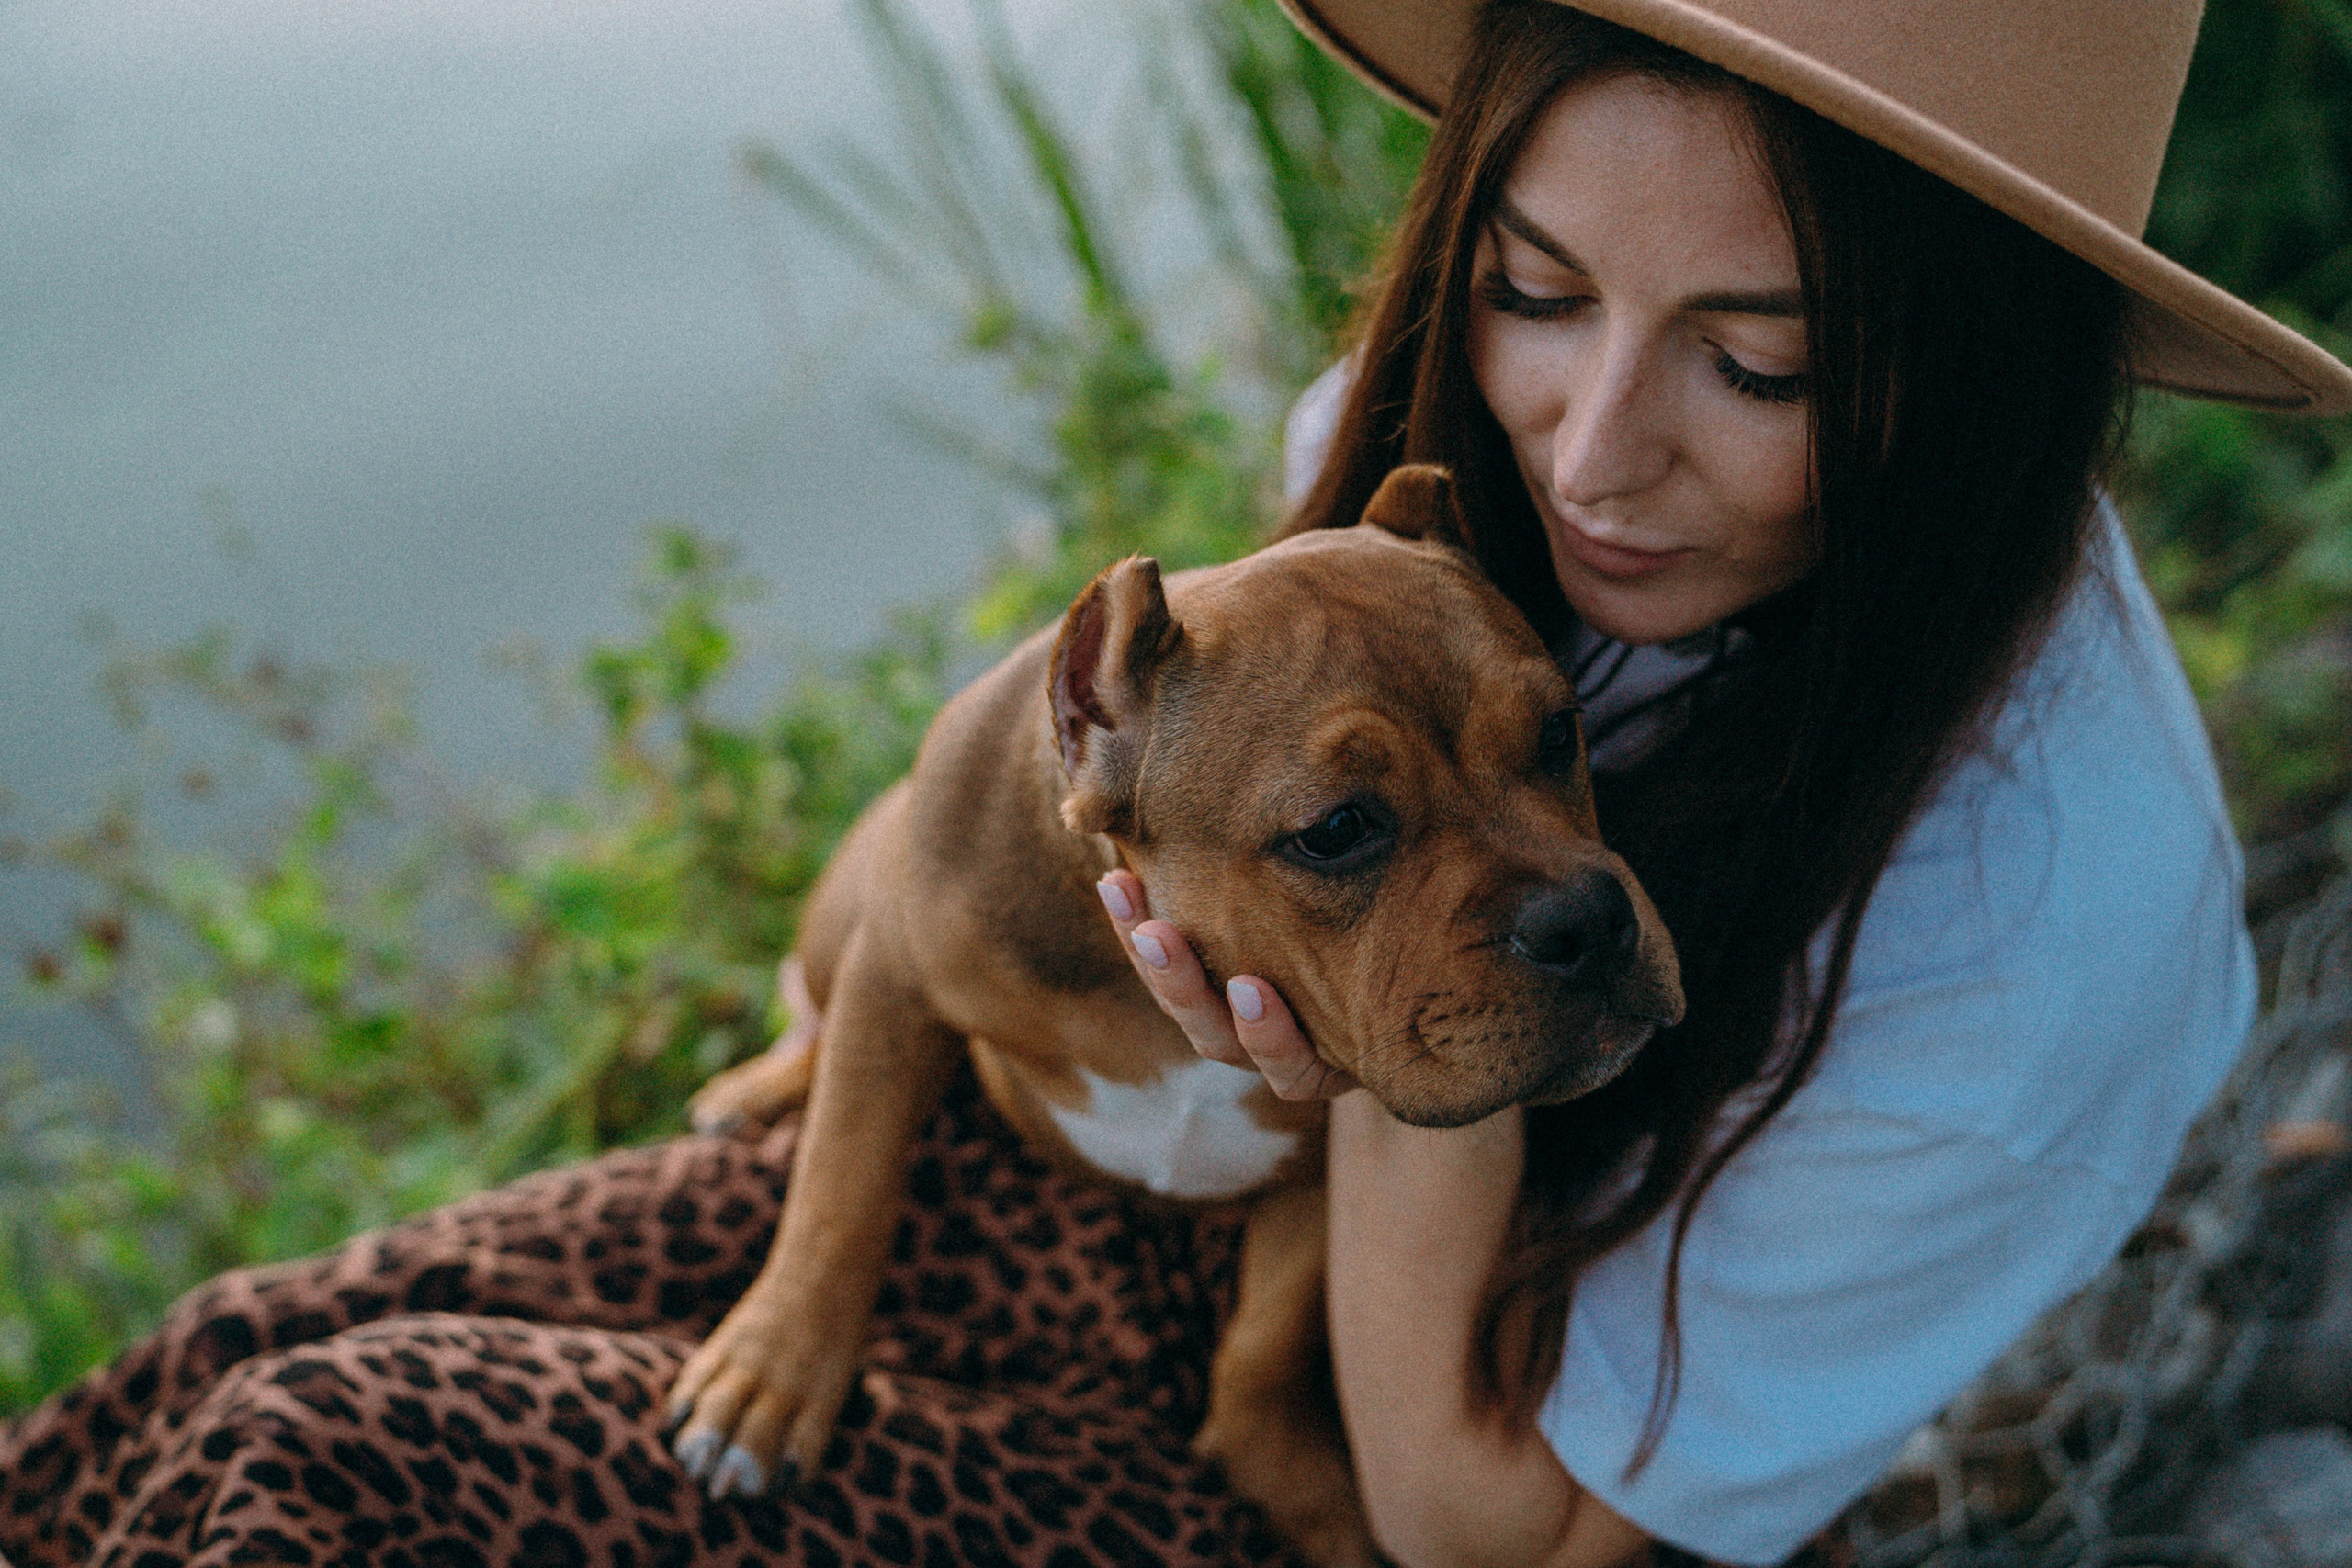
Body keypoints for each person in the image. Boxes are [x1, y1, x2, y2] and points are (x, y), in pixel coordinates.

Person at [2, 5, 2346, 1568]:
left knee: (352, 1463)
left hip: (1363, 1438)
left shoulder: (2048, 943)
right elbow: (1048, 843)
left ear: (1996, 384)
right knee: (235, 1362)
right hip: (1145, 1139)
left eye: (1757, 360)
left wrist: (1389, 1069)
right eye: (1530, 289)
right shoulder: (1421, 491)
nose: (1593, 450)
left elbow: (1472, 1525)